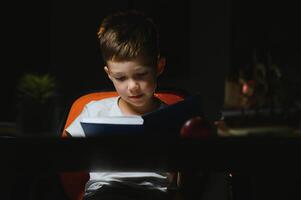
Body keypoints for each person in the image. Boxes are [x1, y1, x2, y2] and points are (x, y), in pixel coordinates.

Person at [65, 10, 180, 200]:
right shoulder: (95, 111)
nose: (133, 87)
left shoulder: (174, 117)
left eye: (141, 75)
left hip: (153, 194)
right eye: (120, 78)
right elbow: (65, 153)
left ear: (158, 67)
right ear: (109, 74)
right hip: (103, 193)